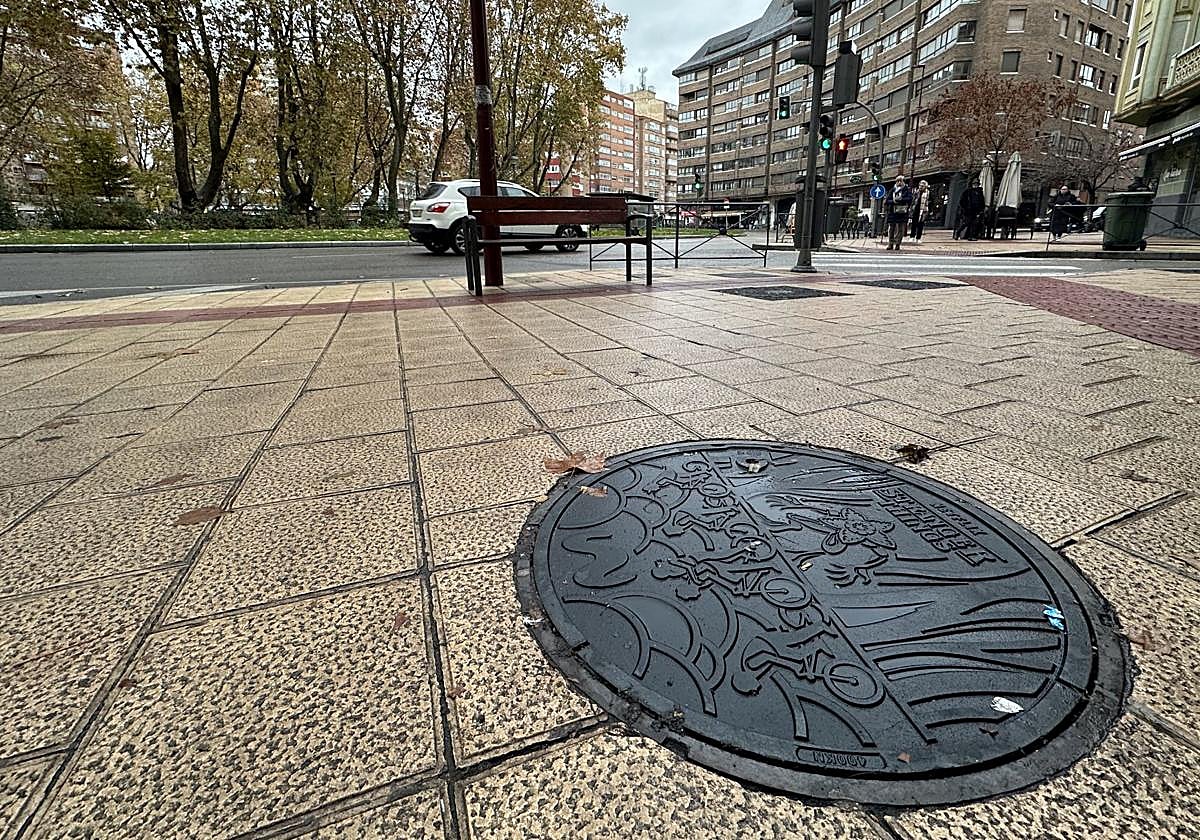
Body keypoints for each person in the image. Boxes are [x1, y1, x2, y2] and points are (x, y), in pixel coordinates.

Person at [884, 176, 913, 251]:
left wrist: (901, 199)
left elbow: (910, 199)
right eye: (897, 181)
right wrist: (893, 201)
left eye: (901, 181)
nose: (899, 183)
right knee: (891, 228)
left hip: (902, 212)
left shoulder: (907, 190)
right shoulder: (892, 190)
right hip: (892, 211)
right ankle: (890, 243)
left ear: (903, 182)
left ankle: (897, 244)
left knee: (900, 228)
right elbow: (887, 200)